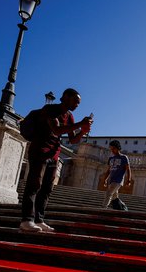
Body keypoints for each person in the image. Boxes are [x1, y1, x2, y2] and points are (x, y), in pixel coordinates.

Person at [20, 88, 93, 232]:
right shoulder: (50, 109)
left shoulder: (70, 116)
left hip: (54, 154)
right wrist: (80, 124)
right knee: (34, 184)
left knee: (47, 188)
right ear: (66, 97)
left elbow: (72, 140)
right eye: (75, 101)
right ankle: (26, 219)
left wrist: (83, 131)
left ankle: (39, 219)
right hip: (40, 150)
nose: (77, 105)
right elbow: (57, 130)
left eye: (78, 103)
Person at [103, 140, 132, 209]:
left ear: (118, 148)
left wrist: (129, 180)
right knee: (114, 197)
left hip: (118, 180)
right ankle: (123, 206)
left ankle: (103, 208)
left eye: (113, 148)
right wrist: (105, 179)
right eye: (111, 149)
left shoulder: (124, 157)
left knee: (108, 193)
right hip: (111, 180)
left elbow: (128, 169)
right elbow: (108, 170)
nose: (112, 150)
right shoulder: (111, 159)